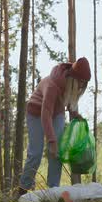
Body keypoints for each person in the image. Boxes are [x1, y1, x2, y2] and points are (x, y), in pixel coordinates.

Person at [20, 58, 91, 192]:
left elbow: (68, 98)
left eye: (84, 84)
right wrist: (51, 140)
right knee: (36, 153)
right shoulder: (53, 85)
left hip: (56, 113)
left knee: (57, 152)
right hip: (36, 112)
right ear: (73, 79)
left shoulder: (71, 83)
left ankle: (53, 190)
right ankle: (23, 188)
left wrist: (74, 113)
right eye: (80, 83)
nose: (82, 87)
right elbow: (45, 114)